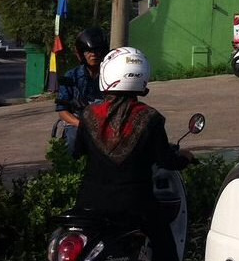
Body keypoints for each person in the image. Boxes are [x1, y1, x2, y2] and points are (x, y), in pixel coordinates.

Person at [73, 46, 194, 261]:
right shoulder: (150, 118)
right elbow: (165, 160)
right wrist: (185, 158)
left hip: (89, 205)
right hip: (135, 207)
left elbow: (77, 152)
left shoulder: (89, 114)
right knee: (165, 247)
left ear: (107, 73)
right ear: (142, 78)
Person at [55, 27, 109, 152]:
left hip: (108, 122)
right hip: (79, 122)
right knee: (74, 142)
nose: (93, 54)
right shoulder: (71, 76)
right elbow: (62, 111)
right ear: (81, 54)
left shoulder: (112, 74)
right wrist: (82, 125)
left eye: (97, 50)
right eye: (88, 51)